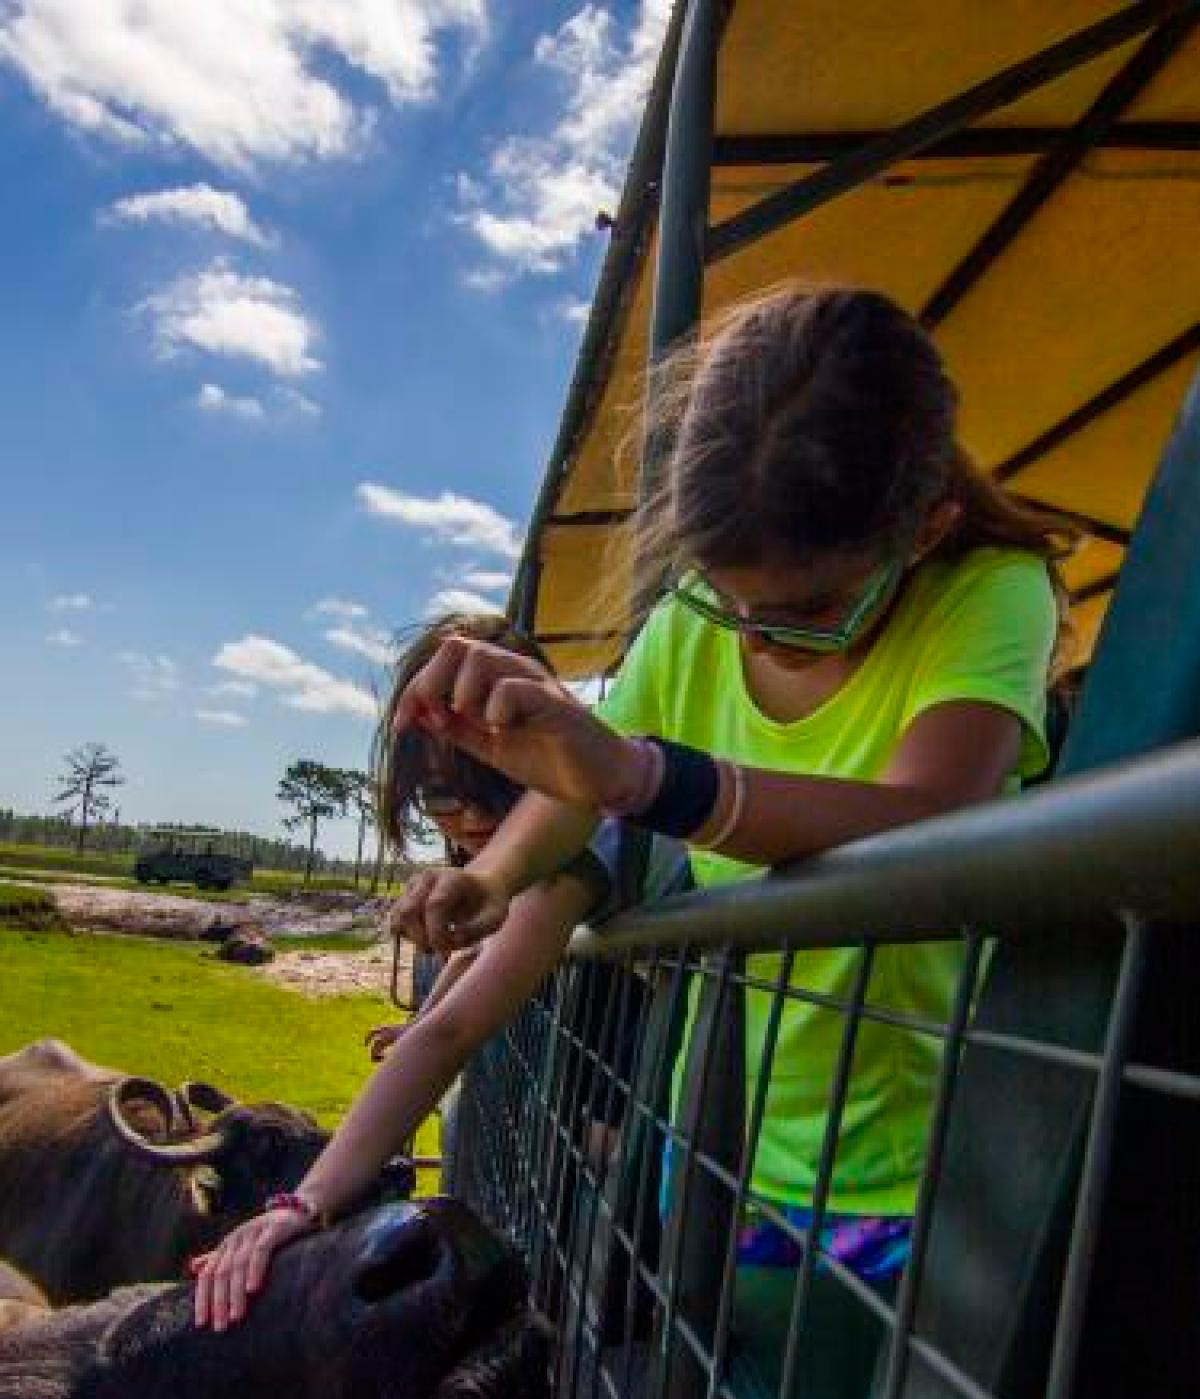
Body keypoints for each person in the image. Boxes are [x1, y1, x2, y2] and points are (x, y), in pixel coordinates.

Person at [388, 283, 1075, 1285]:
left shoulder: (988, 595)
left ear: (923, 531)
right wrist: (489, 879)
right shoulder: (684, 626)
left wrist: (647, 776)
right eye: (727, 596)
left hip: (924, 1170)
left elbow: (937, 815)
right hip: (716, 1154)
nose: (754, 637)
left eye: (806, 608)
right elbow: (574, 786)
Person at [193, 613, 679, 1333]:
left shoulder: (582, 827)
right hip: (675, 1061)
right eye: (439, 798)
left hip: (702, 1080)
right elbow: (469, 963)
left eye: (492, 783)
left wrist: (304, 1202)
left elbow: (453, 1030)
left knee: (625, 1210)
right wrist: (419, 1020)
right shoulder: (533, 847)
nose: (467, 816)